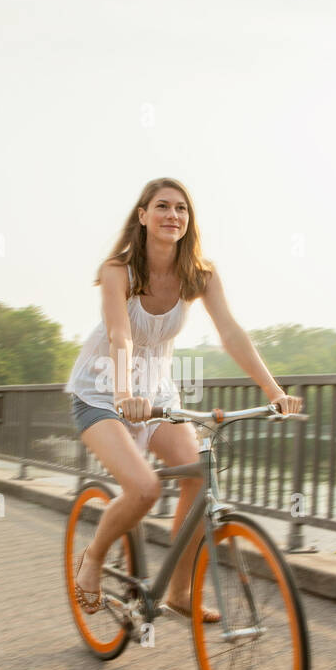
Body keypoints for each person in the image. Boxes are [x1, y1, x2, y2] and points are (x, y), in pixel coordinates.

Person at [64, 177, 303, 622]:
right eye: (162, 206)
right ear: (143, 216)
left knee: (200, 474)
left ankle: (178, 590)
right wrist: (122, 393)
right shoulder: (119, 271)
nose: (173, 215)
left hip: (158, 396)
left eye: (181, 209)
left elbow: (231, 333)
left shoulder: (200, 275)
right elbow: (120, 334)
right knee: (145, 489)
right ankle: (93, 558)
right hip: (102, 392)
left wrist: (274, 392)